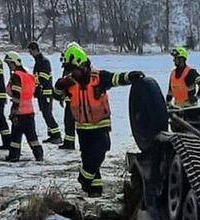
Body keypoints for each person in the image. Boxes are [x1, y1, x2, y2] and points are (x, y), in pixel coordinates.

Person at [54, 44, 144, 196]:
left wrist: (131, 77)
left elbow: (117, 78)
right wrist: (59, 85)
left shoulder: (99, 77)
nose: (70, 73)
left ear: (82, 65)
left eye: (72, 69)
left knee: (98, 155)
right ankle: (94, 189)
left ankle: (84, 179)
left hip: (100, 126)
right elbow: (57, 96)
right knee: (88, 158)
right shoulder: (69, 83)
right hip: (83, 129)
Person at [4, 51, 43, 162]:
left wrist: (14, 112)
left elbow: (16, 94)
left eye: (9, 63)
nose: (9, 66)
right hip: (29, 111)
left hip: (20, 112)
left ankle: (14, 156)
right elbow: (35, 91)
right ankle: (39, 155)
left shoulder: (16, 76)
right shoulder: (28, 76)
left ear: (14, 63)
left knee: (15, 137)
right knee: (32, 137)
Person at [27, 41, 62, 144]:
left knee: (48, 114)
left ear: (35, 50)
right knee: (45, 114)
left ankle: (57, 135)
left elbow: (43, 78)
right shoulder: (38, 62)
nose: (30, 54)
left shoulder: (44, 62)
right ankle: (52, 134)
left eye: (31, 52)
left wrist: (38, 87)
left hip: (45, 93)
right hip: (41, 93)